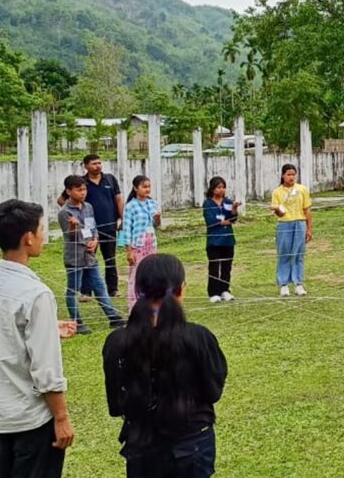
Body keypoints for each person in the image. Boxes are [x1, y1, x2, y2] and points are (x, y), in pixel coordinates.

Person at [102, 254, 227, 477]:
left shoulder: (117, 342)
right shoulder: (198, 337)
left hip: (142, 446)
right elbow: (213, 391)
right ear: (180, 290)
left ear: (138, 291)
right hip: (192, 445)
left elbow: (116, 404)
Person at [0, 199, 76, 478]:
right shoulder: (36, 294)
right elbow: (46, 370)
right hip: (31, 420)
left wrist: (49, 327)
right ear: (28, 238)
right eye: (41, 229)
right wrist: (61, 417)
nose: (43, 235)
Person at [59, 175, 123, 335]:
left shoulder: (88, 207)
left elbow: (93, 227)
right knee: (73, 289)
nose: (83, 193)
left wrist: (95, 241)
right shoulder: (64, 212)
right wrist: (73, 226)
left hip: (90, 256)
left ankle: (113, 317)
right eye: (79, 190)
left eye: (84, 189)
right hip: (75, 256)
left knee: (100, 286)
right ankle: (77, 321)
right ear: (69, 191)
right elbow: (70, 236)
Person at [58, 154, 124, 297]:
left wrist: (122, 219)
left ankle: (113, 289)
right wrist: (75, 215)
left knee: (110, 259)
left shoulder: (110, 179)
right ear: (86, 166)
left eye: (99, 163)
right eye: (94, 163)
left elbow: (118, 200)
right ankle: (86, 292)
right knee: (86, 259)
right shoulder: (81, 183)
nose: (98, 166)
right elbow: (61, 200)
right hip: (87, 230)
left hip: (108, 226)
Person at [272, 164, 313, 297]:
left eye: (293, 174)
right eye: (288, 174)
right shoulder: (277, 192)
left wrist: (309, 228)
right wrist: (277, 210)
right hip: (285, 224)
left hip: (300, 223)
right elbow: (279, 213)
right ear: (283, 175)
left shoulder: (302, 189)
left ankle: (298, 283)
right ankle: (284, 284)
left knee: (298, 254)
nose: (291, 177)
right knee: (284, 253)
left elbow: (307, 210)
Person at [122, 175, 161, 312]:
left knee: (151, 273)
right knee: (136, 274)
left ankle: (150, 303)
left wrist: (158, 219)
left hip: (151, 243)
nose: (147, 189)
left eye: (149, 186)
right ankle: (134, 306)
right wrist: (129, 250)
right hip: (137, 245)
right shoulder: (130, 206)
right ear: (135, 188)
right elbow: (126, 229)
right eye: (144, 187)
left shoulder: (153, 203)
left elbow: (156, 225)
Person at [203, 176, 241, 303]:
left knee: (227, 267)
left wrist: (234, 209)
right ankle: (213, 292)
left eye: (223, 187)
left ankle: (225, 290)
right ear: (212, 189)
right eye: (219, 187)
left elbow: (232, 219)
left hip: (228, 240)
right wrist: (223, 222)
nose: (221, 190)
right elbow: (210, 220)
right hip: (214, 241)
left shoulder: (228, 202)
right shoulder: (208, 203)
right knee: (214, 267)